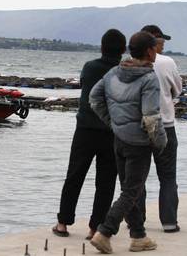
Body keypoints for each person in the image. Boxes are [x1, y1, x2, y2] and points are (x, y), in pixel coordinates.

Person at [89, 31, 167, 253]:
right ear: (150, 51)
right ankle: (105, 231)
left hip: (119, 139)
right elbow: (151, 117)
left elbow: (94, 99)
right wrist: (161, 142)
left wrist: (113, 123)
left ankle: (138, 237)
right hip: (139, 144)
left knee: (129, 189)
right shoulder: (149, 78)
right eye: (155, 48)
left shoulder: (114, 72)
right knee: (132, 191)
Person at [52, 29, 126, 240]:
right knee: (105, 182)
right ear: (123, 50)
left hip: (85, 129)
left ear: (102, 47)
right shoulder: (123, 71)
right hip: (112, 131)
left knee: (74, 176)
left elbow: (85, 88)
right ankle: (95, 228)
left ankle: (63, 223)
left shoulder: (90, 67)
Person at [141, 25, 182, 233]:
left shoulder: (130, 64)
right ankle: (169, 222)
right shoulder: (168, 62)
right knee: (167, 176)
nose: (163, 44)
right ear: (152, 42)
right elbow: (178, 89)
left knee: (137, 176)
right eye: (160, 41)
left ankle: (136, 222)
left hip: (139, 126)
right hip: (165, 125)